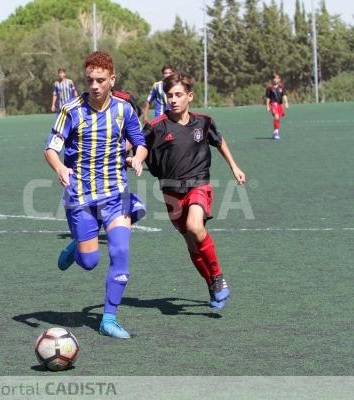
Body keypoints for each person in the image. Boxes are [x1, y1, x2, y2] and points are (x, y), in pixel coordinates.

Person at [44, 51, 148, 339]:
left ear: (112, 79)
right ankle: (77, 247)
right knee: (89, 262)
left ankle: (109, 318)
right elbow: (51, 147)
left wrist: (138, 157)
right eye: (89, 79)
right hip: (81, 198)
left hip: (116, 194)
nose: (94, 85)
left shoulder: (124, 110)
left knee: (120, 251)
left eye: (100, 80)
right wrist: (59, 167)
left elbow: (140, 142)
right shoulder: (71, 110)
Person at [139, 72, 246, 310]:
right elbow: (141, 146)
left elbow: (219, 142)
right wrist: (135, 158)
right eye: (169, 95)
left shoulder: (204, 122)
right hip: (170, 191)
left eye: (178, 95)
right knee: (191, 243)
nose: (173, 100)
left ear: (190, 96)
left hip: (199, 183)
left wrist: (234, 167)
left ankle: (218, 277)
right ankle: (211, 284)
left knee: (195, 227)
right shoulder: (156, 126)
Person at [266, 73, 289, 140]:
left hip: (280, 105)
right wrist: (267, 106)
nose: (275, 80)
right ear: (272, 80)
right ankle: (276, 133)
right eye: (274, 78)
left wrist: (286, 103)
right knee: (276, 116)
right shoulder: (269, 88)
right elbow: (268, 98)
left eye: (277, 78)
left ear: (279, 79)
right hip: (273, 104)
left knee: (278, 118)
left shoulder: (281, 87)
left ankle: (275, 131)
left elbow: (284, 95)